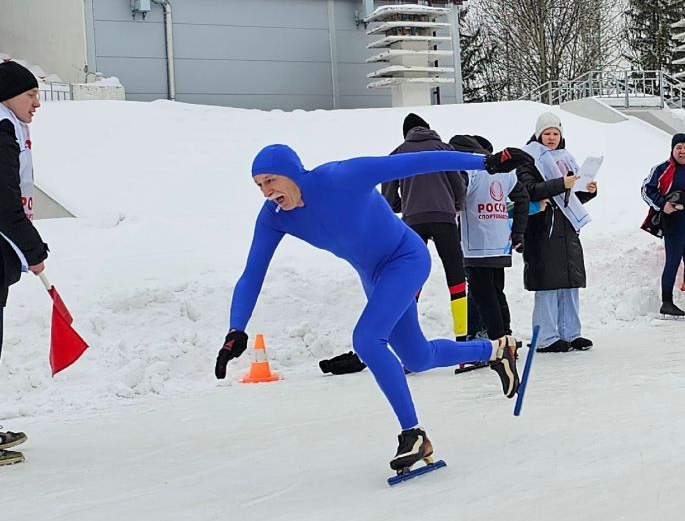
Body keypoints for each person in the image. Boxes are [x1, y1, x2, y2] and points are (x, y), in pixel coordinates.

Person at [219, 143, 529, 474]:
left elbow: (416, 162)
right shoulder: (274, 219)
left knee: (367, 339)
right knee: (417, 357)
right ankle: (495, 351)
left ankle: (413, 434)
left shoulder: (341, 176)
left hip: (405, 258)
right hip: (374, 276)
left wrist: (484, 162)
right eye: (259, 186)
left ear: (291, 172)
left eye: (270, 180)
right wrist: (236, 328)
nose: (266, 192)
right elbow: (252, 273)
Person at [381, 114, 470, 340]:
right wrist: (456, 204)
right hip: (444, 218)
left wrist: (405, 205)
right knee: (456, 275)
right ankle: (462, 339)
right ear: (429, 129)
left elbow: (388, 196)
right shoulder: (444, 149)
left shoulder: (398, 153)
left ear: (406, 133)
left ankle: (410, 343)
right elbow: (458, 184)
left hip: (413, 221)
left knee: (412, 279)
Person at [0, 62, 48, 466]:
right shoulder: (1, 135)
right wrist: (34, 250)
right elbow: (4, 204)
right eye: (30, 94)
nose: (37, 103)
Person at [517, 112, 597, 352]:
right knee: (548, 285)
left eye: (555, 133)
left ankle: (571, 333)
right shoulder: (527, 158)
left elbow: (570, 196)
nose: (551, 138)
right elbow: (528, 190)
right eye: (547, 133)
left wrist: (587, 190)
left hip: (567, 227)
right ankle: (545, 336)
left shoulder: (566, 157)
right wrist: (562, 184)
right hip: (543, 228)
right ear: (539, 134)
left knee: (569, 283)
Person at [455, 134, 529, 348]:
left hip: (476, 243)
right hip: (500, 242)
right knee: (496, 291)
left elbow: (457, 199)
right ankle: (506, 335)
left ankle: (499, 342)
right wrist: (517, 233)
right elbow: (522, 198)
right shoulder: (505, 172)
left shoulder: (469, 169)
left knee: (483, 295)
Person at [642, 132, 685, 319]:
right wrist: (662, 204)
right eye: (679, 147)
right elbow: (646, 190)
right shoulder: (662, 169)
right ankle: (667, 302)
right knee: (673, 261)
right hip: (674, 222)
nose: (683, 151)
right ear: (672, 150)